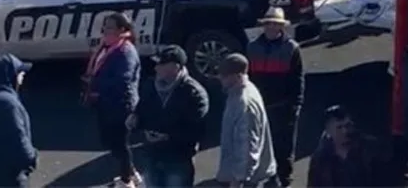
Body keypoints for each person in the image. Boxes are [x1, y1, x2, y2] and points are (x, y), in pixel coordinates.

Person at [132, 45, 209, 188]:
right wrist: (136, 120)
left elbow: (197, 131)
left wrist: (167, 137)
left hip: (178, 159)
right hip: (152, 155)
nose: (156, 68)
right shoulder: (150, 85)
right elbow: (142, 110)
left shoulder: (193, 94)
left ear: (175, 67)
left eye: (161, 64)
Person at [246, 7, 305, 188]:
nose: (272, 27)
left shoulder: (292, 49)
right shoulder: (252, 47)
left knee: (284, 146)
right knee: (260, 144)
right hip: (260, 107)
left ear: (282, 27)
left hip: (283, 107)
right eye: (269, 24)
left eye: (276, 24)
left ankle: (284, 180)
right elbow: (248, 77)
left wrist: (296, 104)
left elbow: (298, 79)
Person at [84, 12, 141, 188]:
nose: (105, 30)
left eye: (109, 27)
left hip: (120, 105)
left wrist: (98, 88)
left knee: (120, 144)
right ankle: (131, 173)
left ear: (121, 30)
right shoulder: (108, 46)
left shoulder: (125, 51)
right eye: (105, 26)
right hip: (105, 103)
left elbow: (122, 81)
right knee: (111, 141)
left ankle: (127, 181)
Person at [216, 53, 277, 188]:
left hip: (249, 179)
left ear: (238, 76)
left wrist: (239, 179)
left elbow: (248, 144)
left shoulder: (244, 103)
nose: (220, 78)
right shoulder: (239, 92)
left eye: (225, 75)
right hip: (249, 175)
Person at [0, 55, 37, 188]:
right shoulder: (7, 103)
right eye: (20, 73)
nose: (22, 78)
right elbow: (18, 135)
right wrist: (31, 156)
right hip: (11, 173)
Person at [306, 106, 387, 187]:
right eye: (339, 127)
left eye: (348, 125)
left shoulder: (370, 148)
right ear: (328, 131)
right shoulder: (320, 158)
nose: (345, 131)